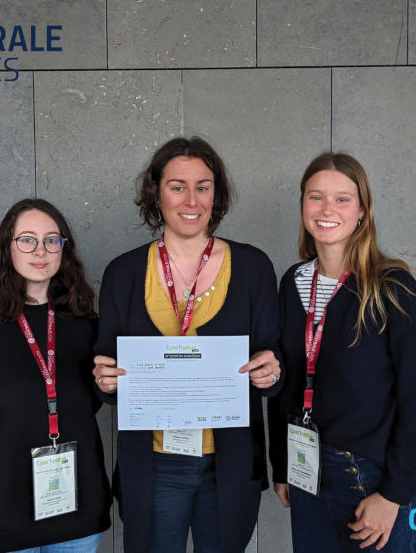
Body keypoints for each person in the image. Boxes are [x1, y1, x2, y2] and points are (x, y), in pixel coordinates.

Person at [92, 137, 282, 553]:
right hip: (155, 465)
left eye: (204, 186)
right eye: (177, 186)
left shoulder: (252, 268)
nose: (191, 199)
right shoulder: (123, 274)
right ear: (156, 194)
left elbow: (274, 361)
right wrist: (105, 381)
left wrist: (271, 371)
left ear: (217, 194)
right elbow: (103, 367)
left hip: (228, 465)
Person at [268, 153, 416, 552]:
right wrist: (283, 464)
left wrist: (393, 496)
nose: (327, 209)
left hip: (371, 479)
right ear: (302, 206)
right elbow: (288, 384)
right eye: (316, 197)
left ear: (363, 211)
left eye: (342, 199)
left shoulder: (393, 288)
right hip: (308, 475)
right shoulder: (293, 283)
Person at [0, 198, 111, 553]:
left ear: (63, 249)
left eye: (51, 240)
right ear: (6, 248)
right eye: (27, 239)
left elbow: (92, 404)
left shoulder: (85, 325)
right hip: (0, 530)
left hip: (77, 526)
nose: (40, 250)